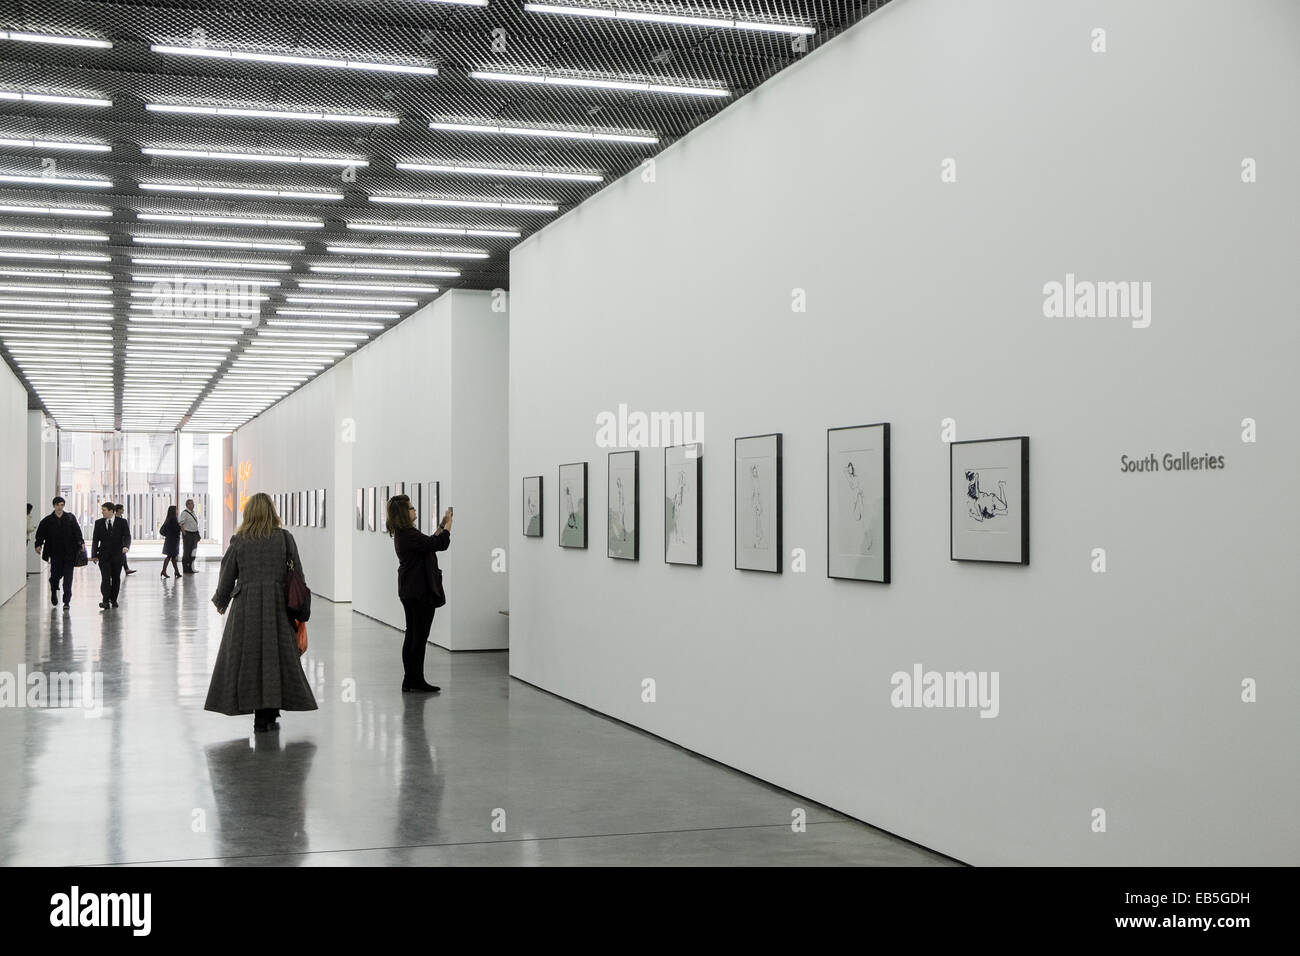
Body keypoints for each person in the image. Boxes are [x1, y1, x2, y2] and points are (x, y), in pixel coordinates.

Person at [205, 492, 317, 733]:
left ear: (249, 513)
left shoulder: (240, 540)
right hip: (278, 607)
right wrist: (301, 610)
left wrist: (221, 601)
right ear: (272, 512)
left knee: (249, 659)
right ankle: (270, 711)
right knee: (276, 658)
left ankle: (259, 715)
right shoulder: (285, 539)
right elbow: (297, 574)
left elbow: (227, 576)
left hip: (246, 608)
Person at [388, 494, 452, 693]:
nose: (414, 510)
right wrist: (449, 525)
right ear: (403, 513)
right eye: (411, 507)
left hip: (410, 590)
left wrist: (441, 526)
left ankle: (411, 680)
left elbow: (430, 542)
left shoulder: (405, 534)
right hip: (419, 592)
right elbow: (439, 544)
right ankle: (415, 680)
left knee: (413, 635)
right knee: (419, 637)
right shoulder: (408, 535)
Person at [33, 496, 84, 608]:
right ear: (54, 506)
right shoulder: (47, 521)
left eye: (62, 505)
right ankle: (53, 590)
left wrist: (81, 542)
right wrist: (38, 544)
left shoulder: (70, 518)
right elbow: (40, 534)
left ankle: (66, 601)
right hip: (55, 553)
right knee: (55, 575)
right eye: (58, 505)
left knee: (68, 577)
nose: (60, 507)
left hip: (69, 552)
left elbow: (77, 531)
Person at [91, 502, 131, 610]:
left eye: (104, 510)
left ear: (111, 511)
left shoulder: (122, 522)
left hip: (118, 555)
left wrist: (126, 546)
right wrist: (94, 555)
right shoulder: (98, 523)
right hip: (103, 556)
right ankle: (105, 601)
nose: (102, 512)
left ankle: (113, 600)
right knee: (105, 579)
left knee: (116, 578)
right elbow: (95, 540)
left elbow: (127, 536)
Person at [159, 505, 182, 578]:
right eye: (176, 510)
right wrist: (180, 526)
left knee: (172, 557)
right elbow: (176, 530)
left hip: (169, 540)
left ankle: (175, 571)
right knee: (170, 556)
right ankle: (165, 571)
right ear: (174, 511)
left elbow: (164, 530)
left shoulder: (168, 519)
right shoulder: (173, 519)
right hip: (173, 541)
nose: (177, 511)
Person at [114, 504, 137, 574]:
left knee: (123, 554)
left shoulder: (123, 520)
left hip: (122, 541)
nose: (123, 510)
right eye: (122, 509)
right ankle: (125, 569)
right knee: (122, 555)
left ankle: (126, 569)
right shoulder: (115, 520)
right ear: (118, 510)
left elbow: (126, 533)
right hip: (117, 541)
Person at [180, 499, 200, 573]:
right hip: (188, 535)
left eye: (193, 503)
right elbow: (181, 524)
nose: (193, 505)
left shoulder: (193, 513)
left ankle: (191, 568)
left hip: (194, 534)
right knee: (187, 552)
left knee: (193, 552)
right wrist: (185, 534)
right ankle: (186, 569)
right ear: (187, 505)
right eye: (191, 503)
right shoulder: (184, 513)